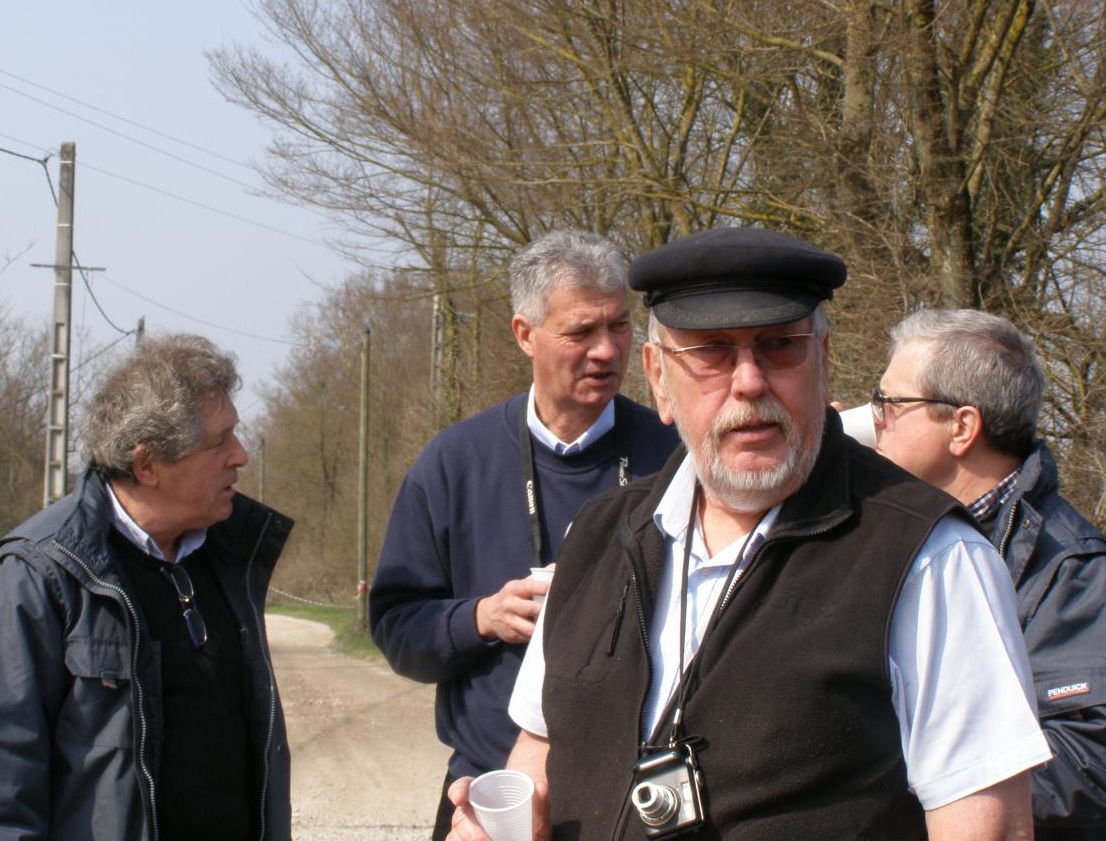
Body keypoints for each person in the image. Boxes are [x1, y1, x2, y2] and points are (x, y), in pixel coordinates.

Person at [446, 226, 1052, 841]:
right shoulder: (597, 536)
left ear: (823, 358)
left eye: (779, 346)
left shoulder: (930, 560)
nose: (749, 381)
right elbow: (539, 747)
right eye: (710, 351)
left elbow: (990, 827)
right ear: (657, 376)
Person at [369, 229, 679, 840]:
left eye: (619, 326)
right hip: (493, 798)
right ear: (524, 335)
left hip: (639, 799)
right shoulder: (453, 463)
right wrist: (480, 618)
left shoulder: (674, 456)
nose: (606, 350)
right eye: (580, 332)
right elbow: (396, 627)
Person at [0, 334, 292, 841]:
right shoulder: (38, 573)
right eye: (219, 441)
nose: (240, 456)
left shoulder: (229, 557)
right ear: (147, 464)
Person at [871, 308, 1106, 840]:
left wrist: (898, 786)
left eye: (891, 402)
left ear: (962, 427)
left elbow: (1088, 760)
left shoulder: (1070, 570)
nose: (875, 416)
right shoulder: (892, 531)